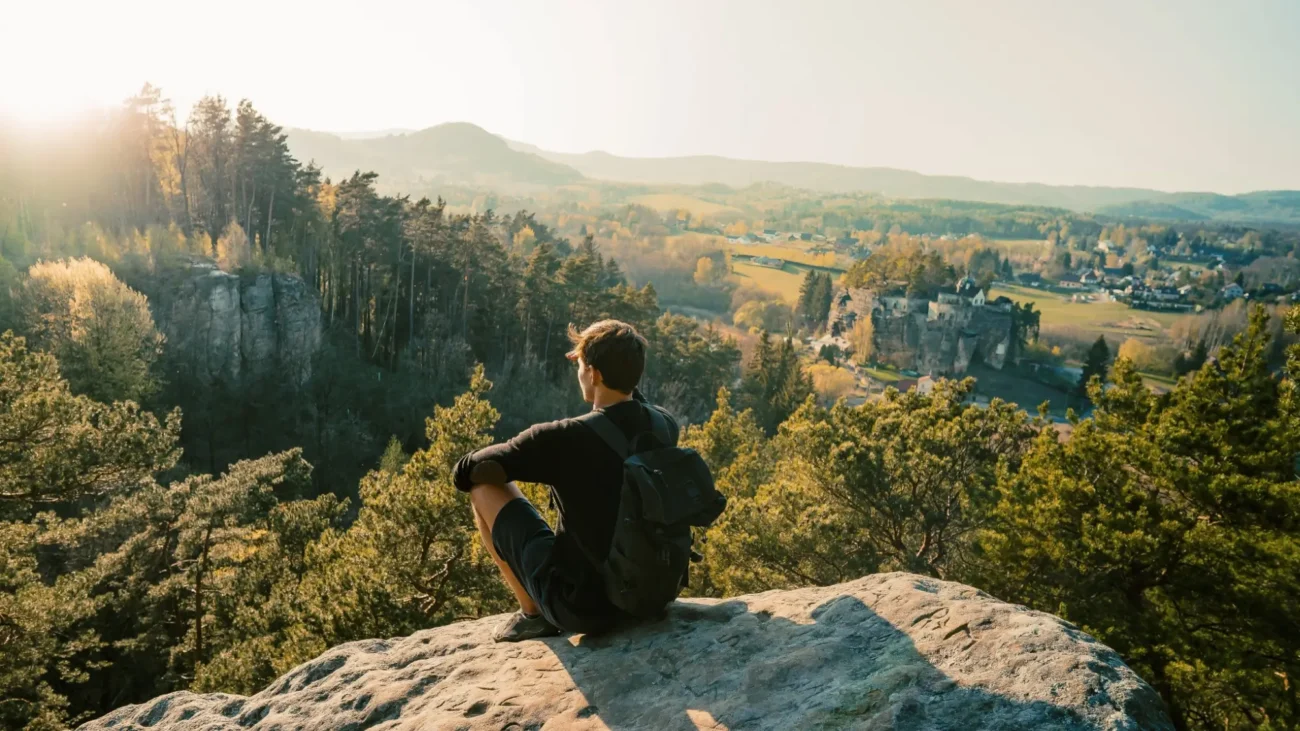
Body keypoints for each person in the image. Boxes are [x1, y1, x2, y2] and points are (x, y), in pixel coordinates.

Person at [453, 319, 680, 642]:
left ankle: (532, 614)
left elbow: (466, 472)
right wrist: (607, 359)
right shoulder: (664, 424)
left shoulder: (565, 438)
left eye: (582, 365)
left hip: (583, 606)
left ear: (595, 373)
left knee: (483, 487)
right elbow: (631, 400)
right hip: (648, 597)